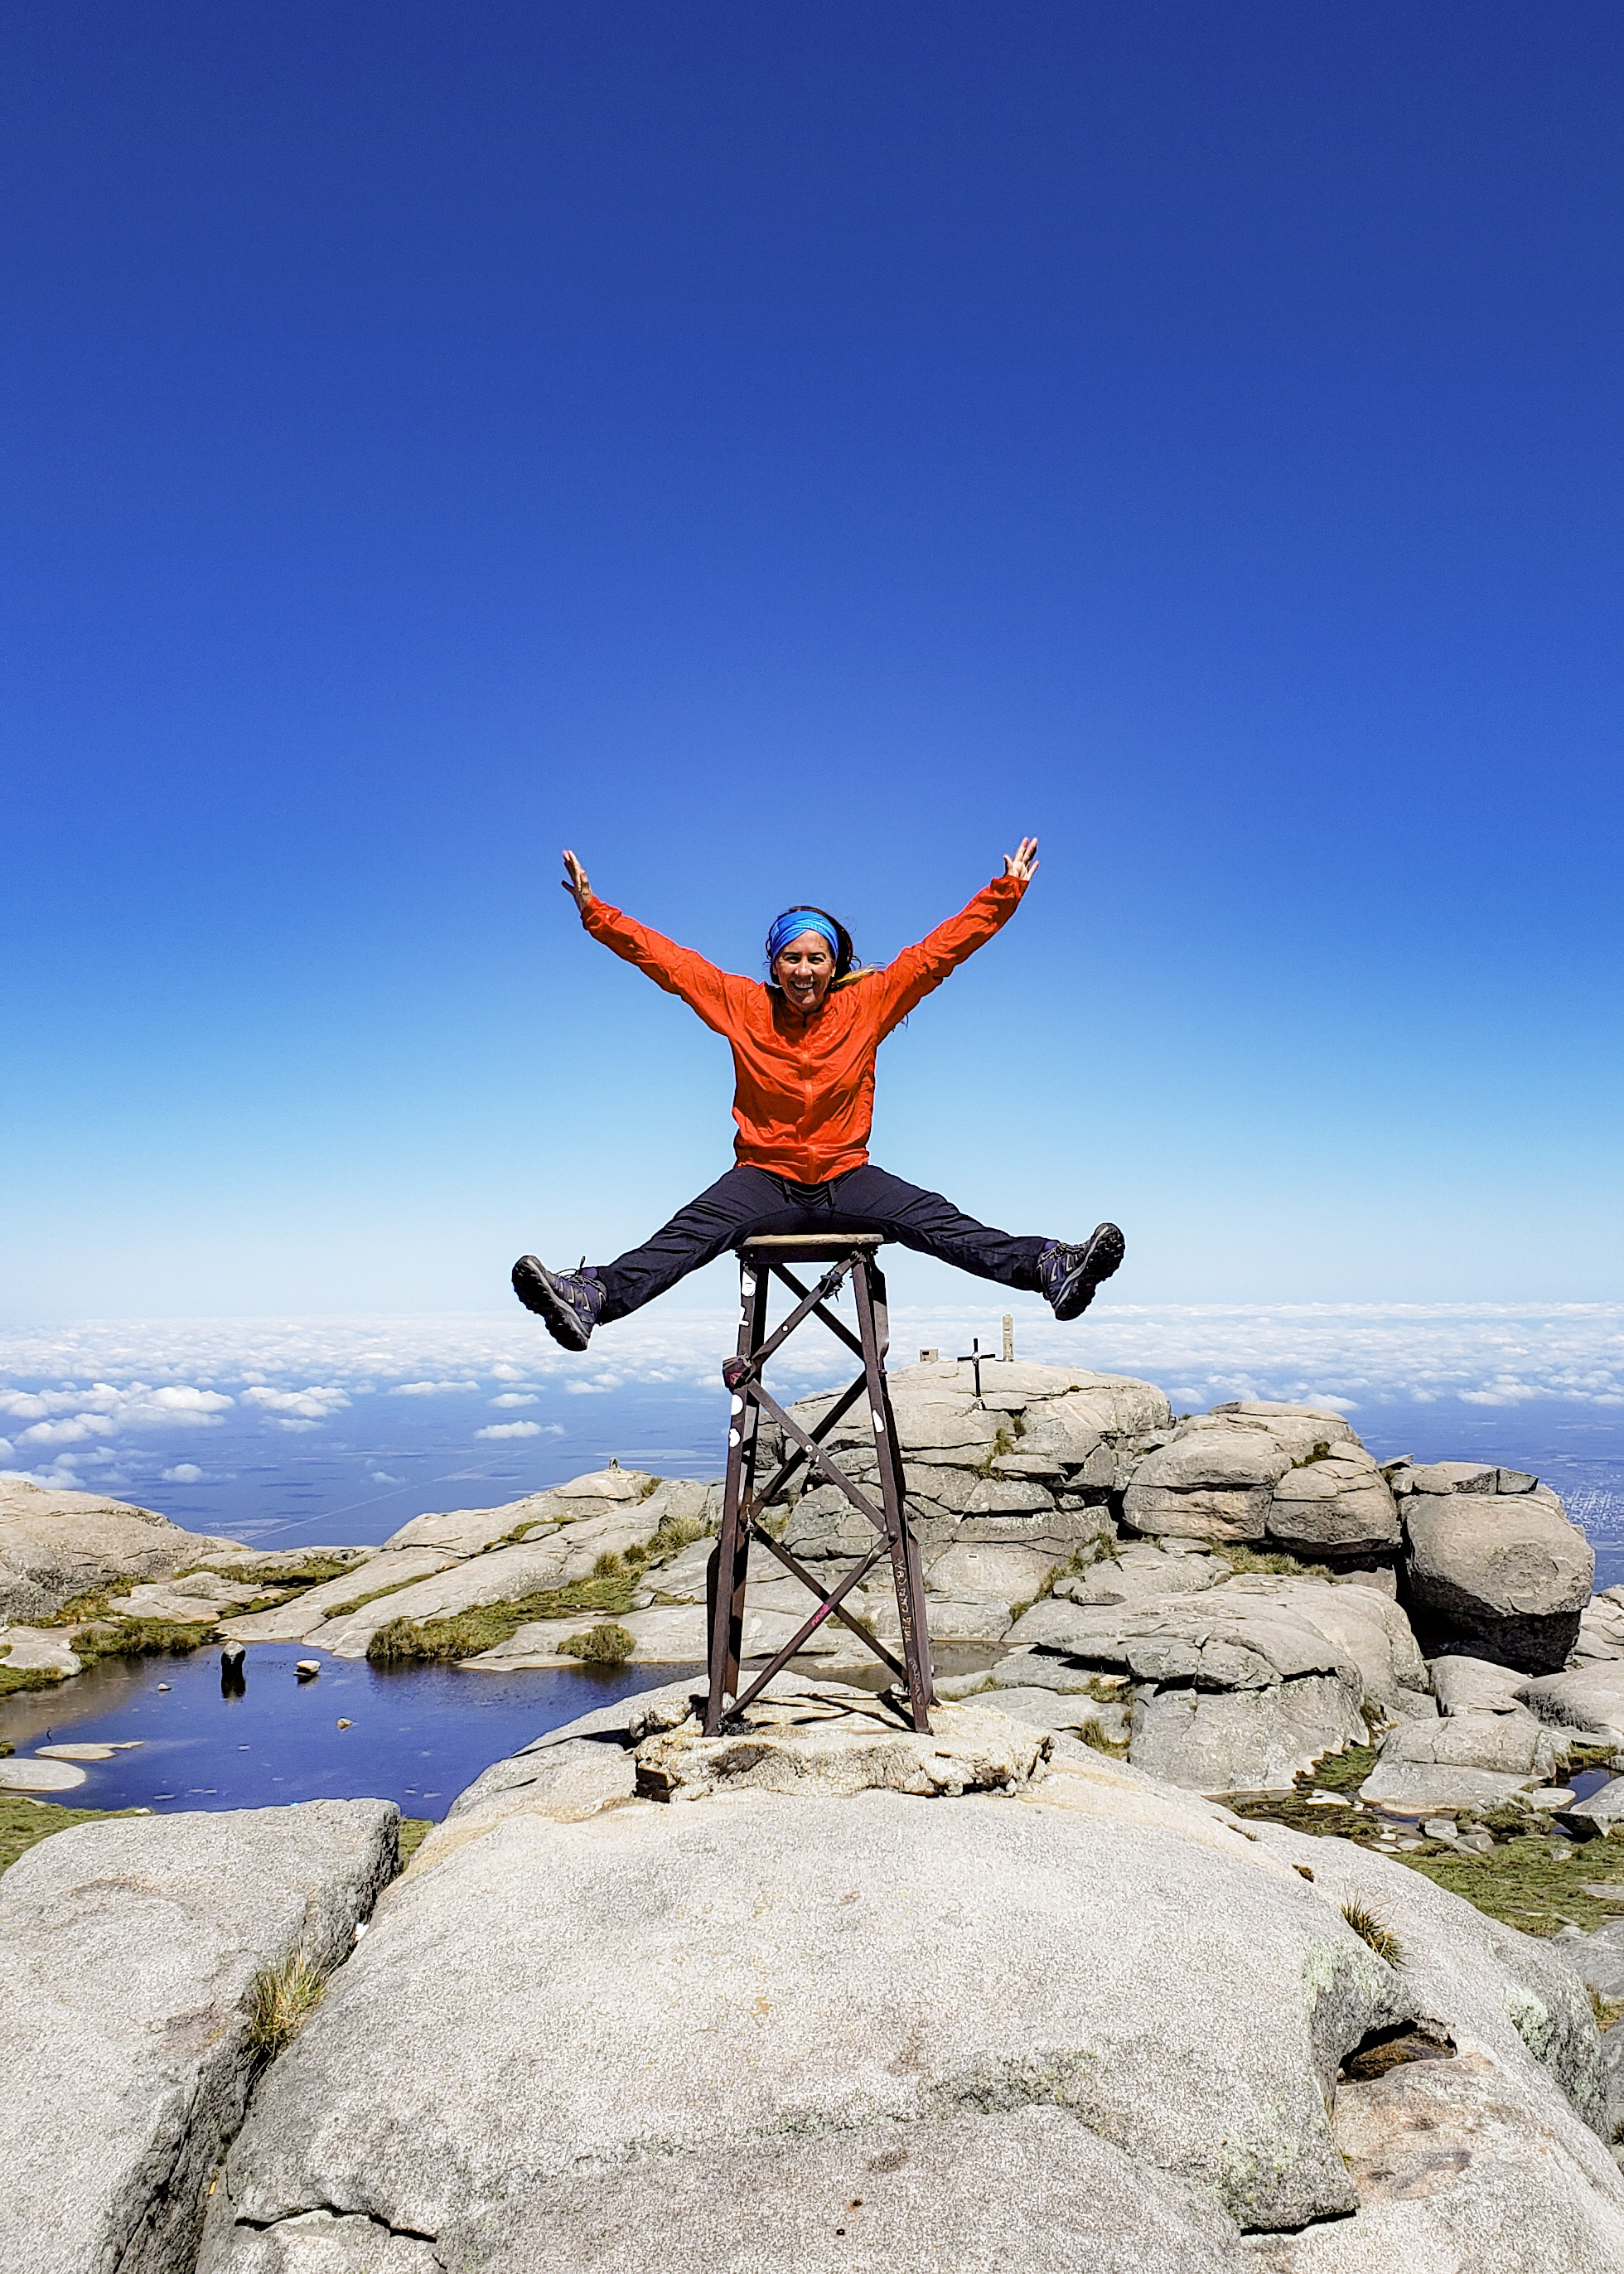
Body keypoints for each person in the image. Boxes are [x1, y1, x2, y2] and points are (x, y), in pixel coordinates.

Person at [513, 836, 1124, 1349]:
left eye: (817, 957)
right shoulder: (741, 1004)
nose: (804, 970)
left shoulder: (869, 1001)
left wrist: (1004, 892)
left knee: (940, 1221)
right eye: (792, 958)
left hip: (846, 1175)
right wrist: (597, 914)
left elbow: (940, 953)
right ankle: (591, 1297)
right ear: (774, 965)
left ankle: (1050, 1268)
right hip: (764, 1177)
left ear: (834, 966)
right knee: (690, 1232)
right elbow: (670, 964)